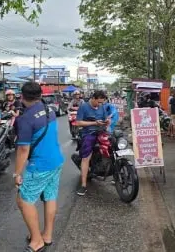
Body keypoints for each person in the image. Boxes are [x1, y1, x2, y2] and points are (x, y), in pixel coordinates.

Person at [14, 81, 64, 252]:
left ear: (22, 97)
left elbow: (23, 149)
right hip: (56, 160)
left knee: (23, 200)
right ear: (40, 95)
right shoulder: (49, 109)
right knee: (49, 196)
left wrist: (17, 173)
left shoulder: (25, 119)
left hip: (40, 165)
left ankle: (37, 240)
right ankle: (47, 235)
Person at [75, 90, 109, 196]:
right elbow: (78, 122)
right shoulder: (83, 107)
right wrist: (94, 123)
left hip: (101, 132)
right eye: (98, 102)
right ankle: (84, 185)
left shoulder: (102, 107)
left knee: (113, 146)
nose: (100, 104)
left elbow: (105, 118)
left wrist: (107, 121)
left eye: (102, 103)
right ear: (93, 98)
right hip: (89, 133)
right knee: (86, 158)